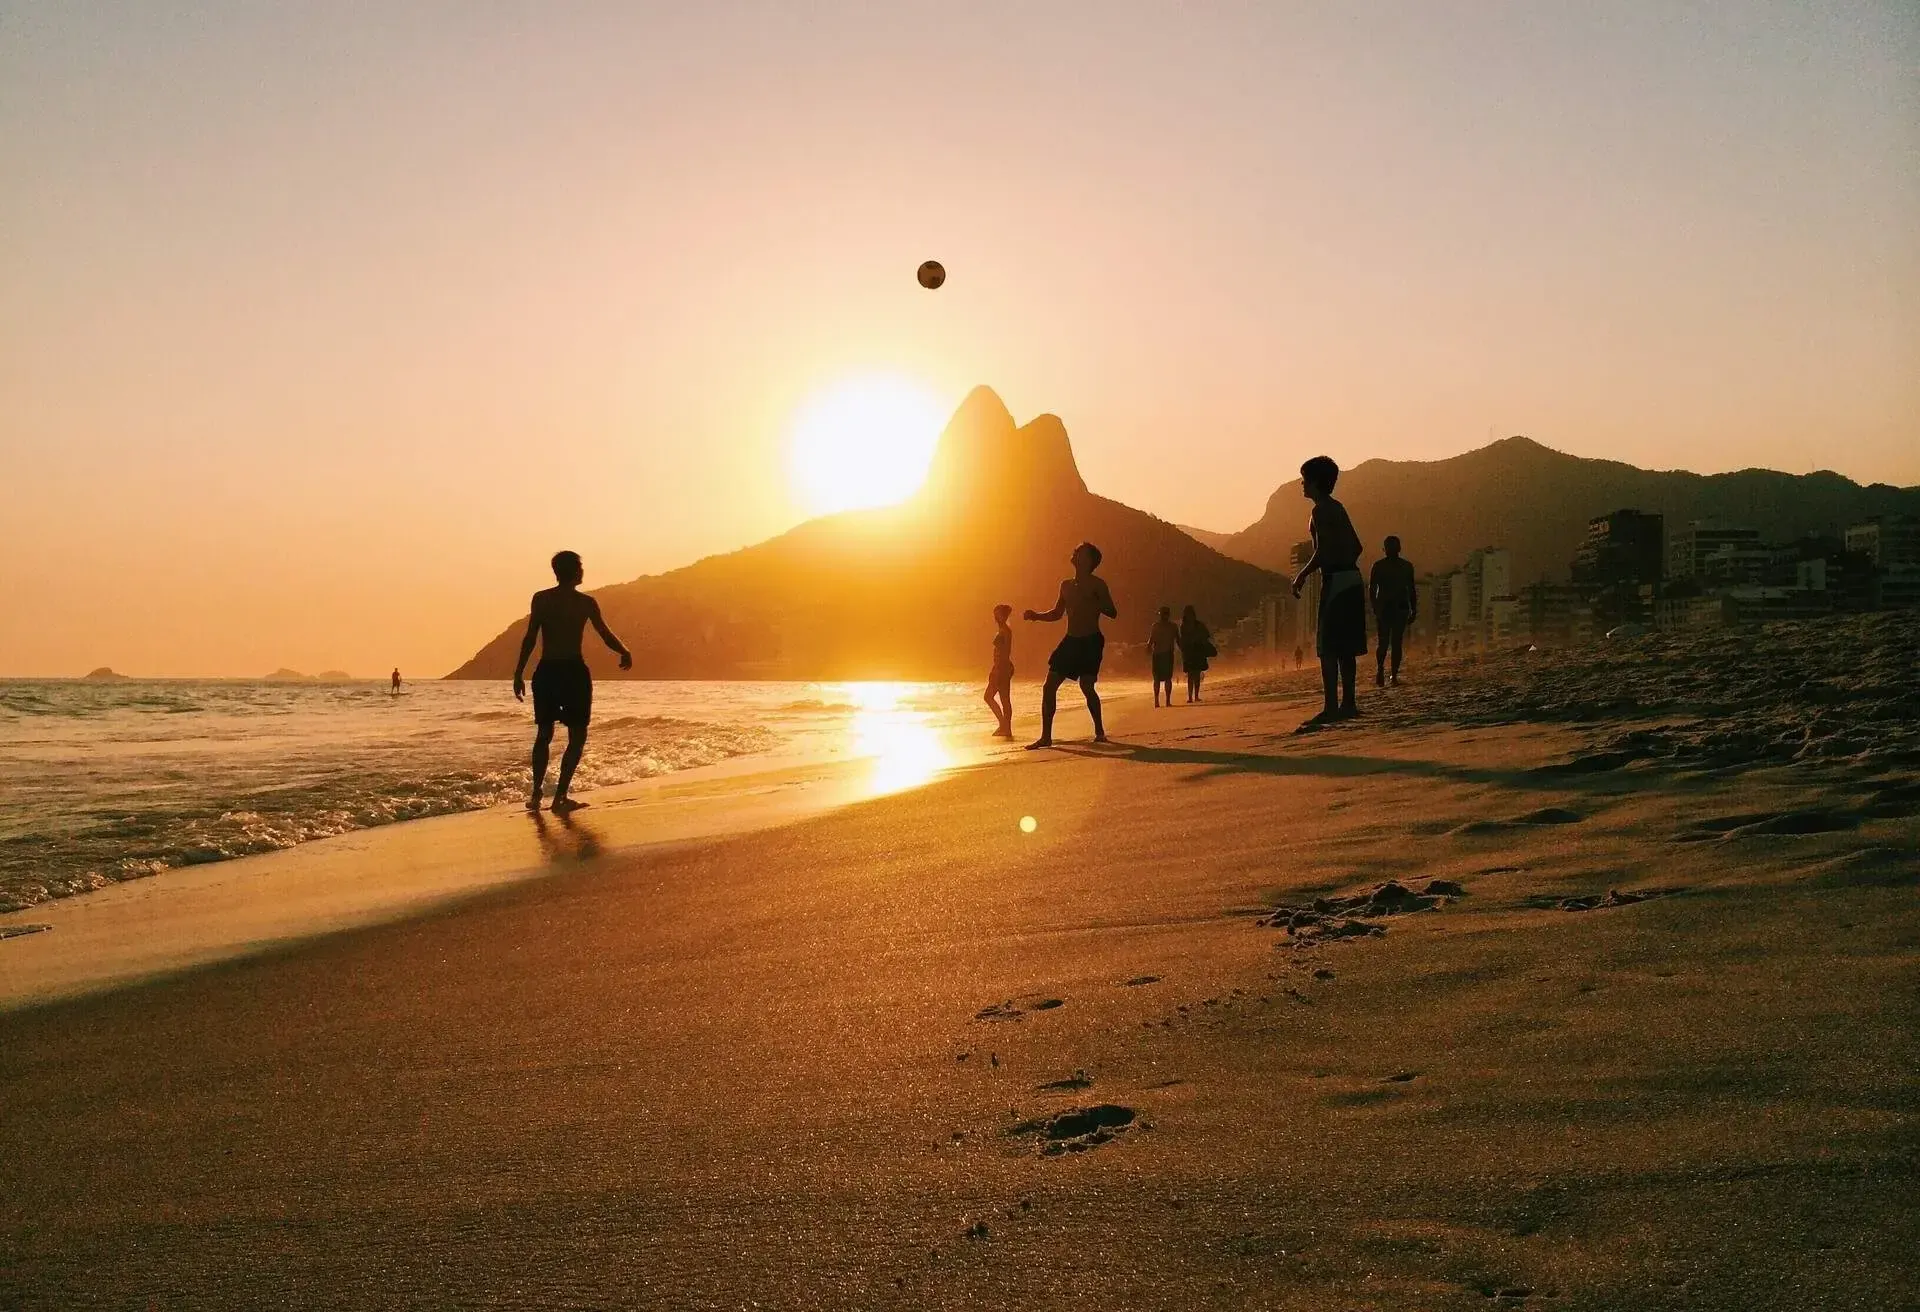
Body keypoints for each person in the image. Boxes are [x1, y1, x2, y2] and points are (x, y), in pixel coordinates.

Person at [512, 550, 632, 812]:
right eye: (580, 566)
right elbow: (605, 634)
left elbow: (530, 638)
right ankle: (560, 797)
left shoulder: (542, 599)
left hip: (547, 672)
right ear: (574, 571)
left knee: (544, 733)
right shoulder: (586, 603)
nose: (582, 570)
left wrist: (519, 672)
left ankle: (536, 794)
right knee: (577, 735)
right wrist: (624, 651)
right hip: (573, 672)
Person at [1290, 455, 1366, 729]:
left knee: (1329, 647)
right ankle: (1349, 704)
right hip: (1352, 579)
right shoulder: (1338, 507)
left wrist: (1302, 574)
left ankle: (1331, 707)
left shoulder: (1320, 511)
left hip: (1335, 580)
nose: (1301, 484)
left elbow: (1322, 551)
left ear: (1315, 482)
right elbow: (1357, 547)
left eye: (1304, 479)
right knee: (1346, 647)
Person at [1022, 541, 1116, 749]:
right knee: (1049, 686)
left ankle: (1100, 732)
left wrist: (1095, 601)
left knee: (1086, 686)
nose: (1076, 553)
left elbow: (1112, 612)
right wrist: (1036, 616)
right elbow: (1057, 614)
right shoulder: (1065, 585)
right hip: (1071, 641)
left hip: (1091, 640)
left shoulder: (1098, 584)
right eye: (1076, 551)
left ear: (1090, 561)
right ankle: (1046, 737)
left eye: (1081, 552)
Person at [1369, 535, 1417, 687]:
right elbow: (1411, 590)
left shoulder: (1378, 566)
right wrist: (1413, 609)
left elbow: (1372, 590)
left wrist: (1375, 607)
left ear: (1385, 550)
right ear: (1399, 548)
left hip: (1385, 608)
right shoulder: (1406, 566)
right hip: (1398, 608)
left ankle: (1381, 671)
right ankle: (1393, 675)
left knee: (1384, 642)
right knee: (1396, 643)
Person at [984, 604, 1015, 738]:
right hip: (1002, 667)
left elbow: (1003, 653)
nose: (995, 617)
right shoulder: (1004, 630)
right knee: (1003, 698)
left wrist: (997, 670)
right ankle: (1005, 727)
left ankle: (1004, 725)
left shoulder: (1005, 631)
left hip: (1002, 668)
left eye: (997, 614)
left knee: (989, 697)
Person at [1178, 605, 1214, 703]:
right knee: (1192, 675)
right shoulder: (1192, 625)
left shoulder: (1185, 626)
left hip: (1193, 651)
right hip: (1192, 652)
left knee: (1195, 675)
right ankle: (1191, 697)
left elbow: (1205, 635)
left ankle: (1195, 696)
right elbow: (1206, 635)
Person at [1148, 606, 1179, 708]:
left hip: (1160, 654)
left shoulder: (1157, 626)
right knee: (1165, 678)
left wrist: (1148, 648)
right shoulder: (1171, 626)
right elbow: (1178, 640)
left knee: (1160, 679)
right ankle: (1164, 701)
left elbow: (1151, 640)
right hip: (1164, 654)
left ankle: (1160, 701)